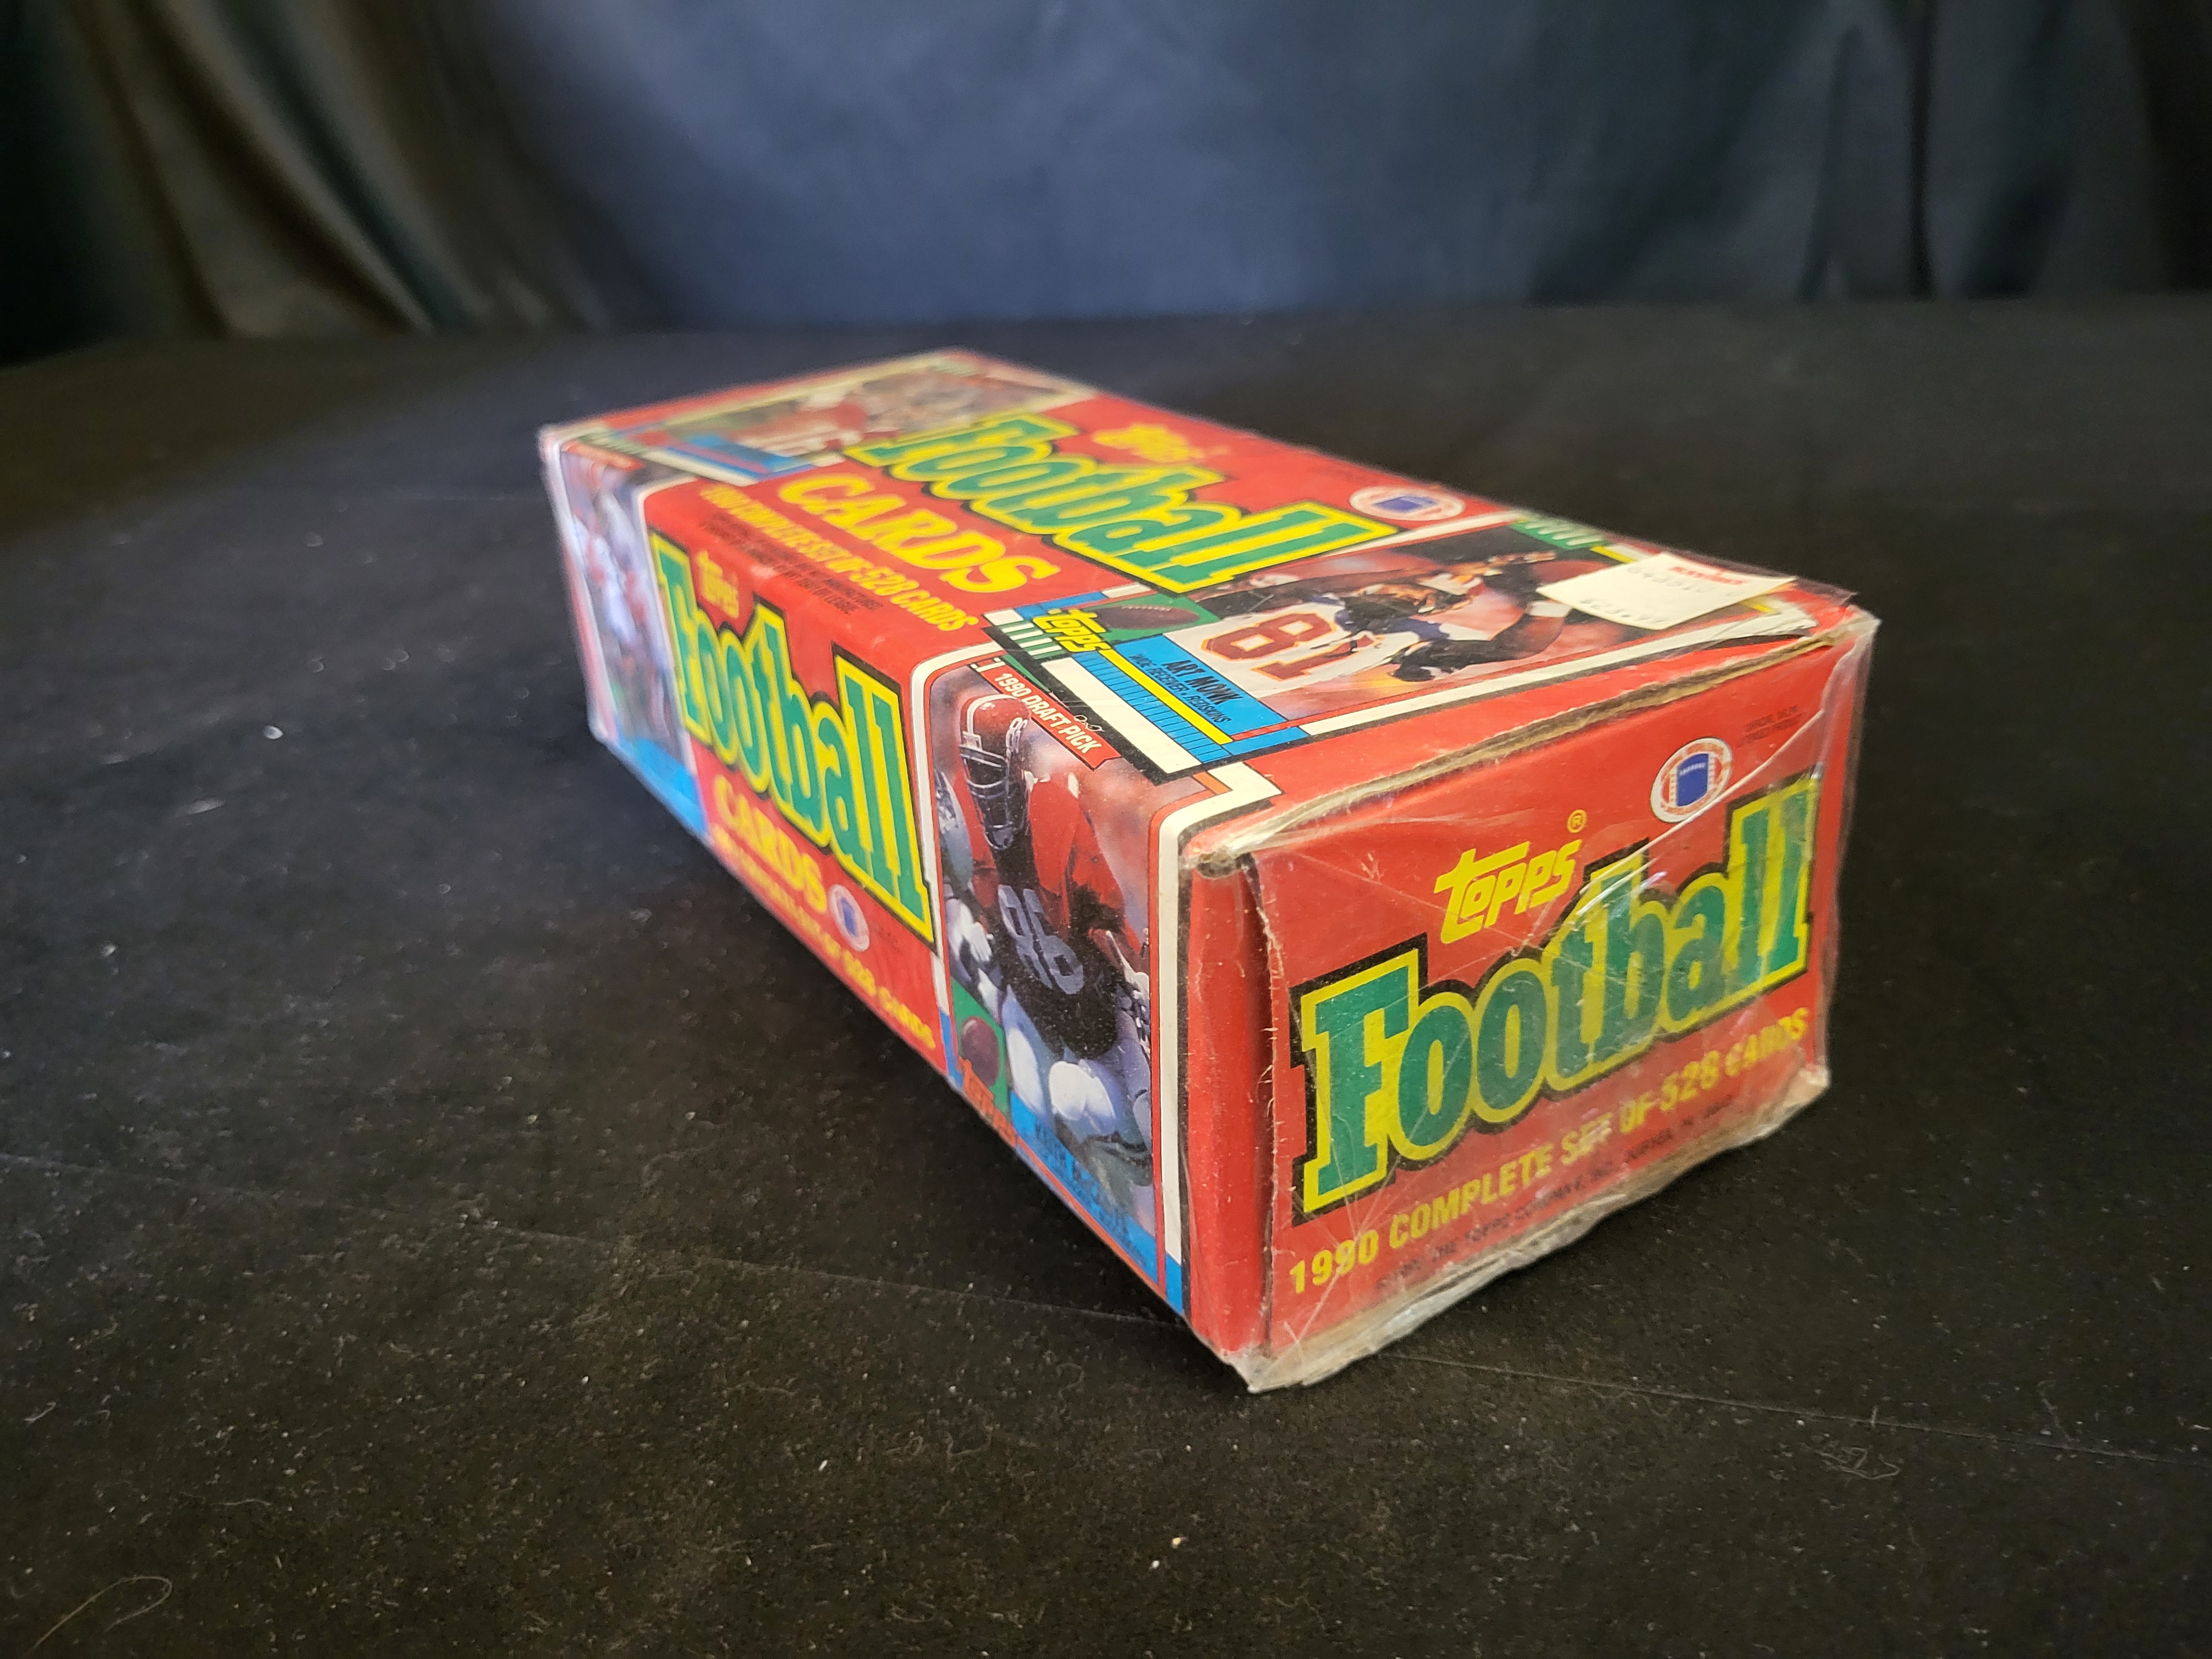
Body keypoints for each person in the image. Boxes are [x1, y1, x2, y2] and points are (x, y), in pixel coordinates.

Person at [941, 692, 1155, 1233]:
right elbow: (978, 905)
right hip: (1046, 1007)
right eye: (976, 773)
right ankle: (1102, 1165)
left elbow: (1104, 915)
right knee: (1051, 1093)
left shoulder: (1053, 811)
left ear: (1013, 761)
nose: (985, 790)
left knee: (1146, 1115)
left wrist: (1134, 972)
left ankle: (1126, 1160)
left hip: (1101, 1009)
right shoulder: (975, 826)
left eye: (990, 771)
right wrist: (981, 939)